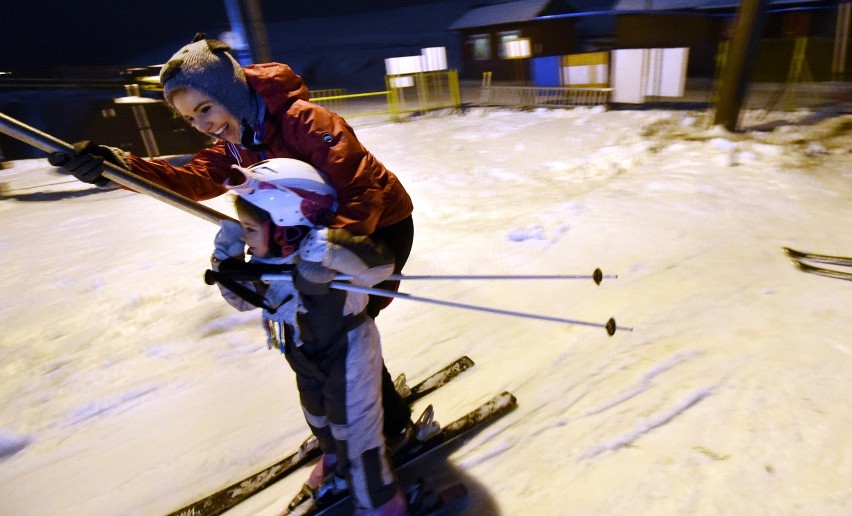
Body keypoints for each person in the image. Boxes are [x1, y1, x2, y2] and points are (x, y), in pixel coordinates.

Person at [48, 34, 415, 485]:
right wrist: (119, 168)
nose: (201, 124)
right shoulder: (236, 141)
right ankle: (345, 432)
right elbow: (192, 180)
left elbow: (360, 190)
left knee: (341, 336)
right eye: (189, 117)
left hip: (375, 228)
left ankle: (386, 428)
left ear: (229, 93)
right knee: (316, 335)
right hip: (309, 240)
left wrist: (327, 253)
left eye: (205, 109)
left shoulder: (304, 121)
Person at [211, 158, 405, 515]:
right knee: (318, 414)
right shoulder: (267, 265)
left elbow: (379, 267)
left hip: (348, 352)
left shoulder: (328, 254)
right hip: (303, 355)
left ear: (288, 227)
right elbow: (241, 299)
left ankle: (381, 503)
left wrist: (327, 253)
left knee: (355, 429)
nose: (246, 238)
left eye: (250, 229)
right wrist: (226, 257)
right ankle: (334, 458)